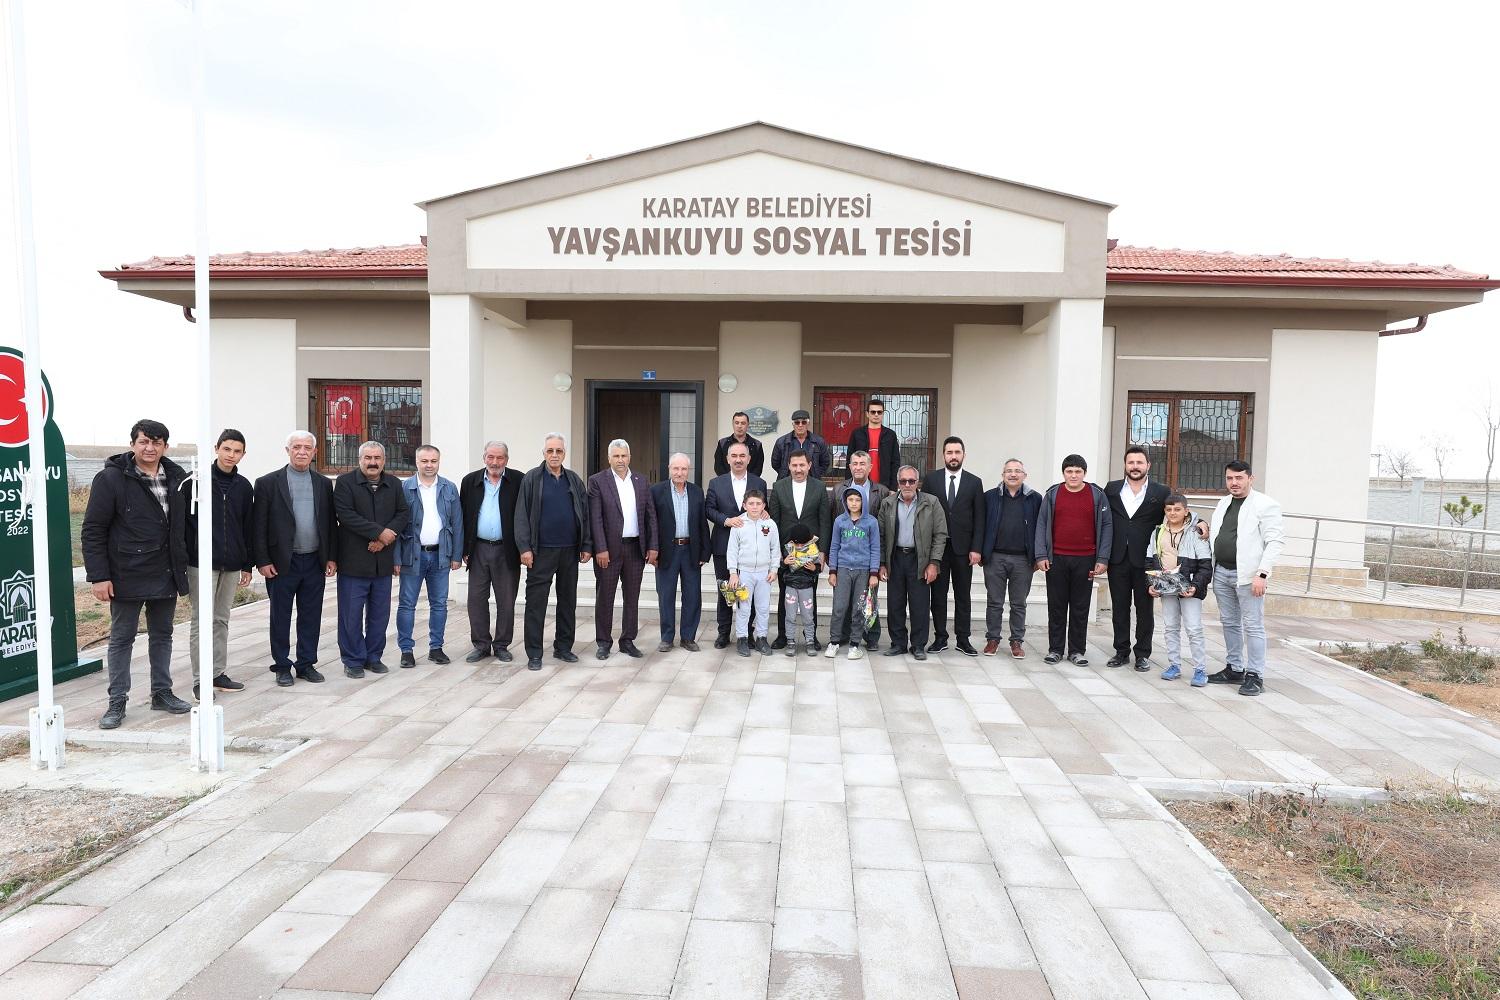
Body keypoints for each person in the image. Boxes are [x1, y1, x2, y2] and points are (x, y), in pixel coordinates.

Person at [82, 419, 192, 729]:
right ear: (132, 444)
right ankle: (117, 701)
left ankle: (162, 692)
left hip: (166, 570)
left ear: (165, 446)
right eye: (144, 441)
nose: (150, 448)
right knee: (122, 639)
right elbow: (93, 530)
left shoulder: (177, 477)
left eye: (156, 442)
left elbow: (184, 526)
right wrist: (98, 576)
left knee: (163, 634)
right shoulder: (111, 479)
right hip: (125, 573)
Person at [253, 431, 338, 688]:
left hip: (314, 561)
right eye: (297, 447)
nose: (302, 452)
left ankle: (306, 664)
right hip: (281, 563)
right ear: (287, 450)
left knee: (311, 615)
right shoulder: (267, 483)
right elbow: (258, 525)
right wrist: (262, 560)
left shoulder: (323, 483)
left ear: (315, 452)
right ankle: (282, 665)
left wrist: (331, 557)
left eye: (307, 448)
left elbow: (329, 523)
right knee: (280, 616)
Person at [184, 428, 252, 700]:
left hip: (232, 563)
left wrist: (247, 564)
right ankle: (200, 679)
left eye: (237, 451)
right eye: (227, 449)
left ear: (243, 454)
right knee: (201, 620)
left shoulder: (244, 486)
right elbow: (185, 525)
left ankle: (217, 673)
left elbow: (247, 526)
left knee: (221, 619)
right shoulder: (196, 482)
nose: (231, 455)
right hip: (201, 563)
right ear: (216, 448)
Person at [515, 433, 593, 670]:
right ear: (544, 453)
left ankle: (563, 648)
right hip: (540, 552)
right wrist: (525, 548)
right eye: (550, 451)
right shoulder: (532, 478)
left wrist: (586, 544)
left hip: (569, 550)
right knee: (536, 604)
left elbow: (585, 514)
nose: (555, 455)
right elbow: (521, 515)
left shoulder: (573, 479)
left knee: (567, 601)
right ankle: (534, 653)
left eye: (559, 451)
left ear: (564, 453)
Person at [1207, 461, 1284, 696]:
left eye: (1239, 478)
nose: (1234, 483)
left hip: (1249, 577)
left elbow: (1275, 541)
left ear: (1251, 478)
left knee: (1253, 626)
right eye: (1230, 478)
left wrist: (1262, 573)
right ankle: (1234, 668)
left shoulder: (1265, 505)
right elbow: (1222, 533)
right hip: (1221, 572)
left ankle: (1255, 675)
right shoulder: (1223, 503)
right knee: (1229, 622)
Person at [333, 441, 410, 678]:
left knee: (379, 615)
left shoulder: (394, 483)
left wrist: (385, 539)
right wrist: (379, 532)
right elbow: (346, 515)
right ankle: (353, 660)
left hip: (382, 561)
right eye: (368, 458)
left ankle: (373, 657)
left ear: (384, 460)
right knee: (351, 615)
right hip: (353, 561)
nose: (373, 462)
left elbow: (403, 513)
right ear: (359, 460)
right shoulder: (345, 483)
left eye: (377, 458)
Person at [1034, 454, 1111, 667]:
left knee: (1080, 607)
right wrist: (1041, 555)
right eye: (1069, 471)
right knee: (1056, 607)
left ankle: (1077, 651)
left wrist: (1103, 557)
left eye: (1078, 471)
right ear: (1063, 473)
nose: (1074, 475)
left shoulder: (1097, 495)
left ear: (1084, 473)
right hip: (1056, 559)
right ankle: (1055, 650)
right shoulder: (1052, 494)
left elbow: (1106, 525)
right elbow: (1041, 524)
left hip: (1086, 560)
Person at [588, 438, 659, 660]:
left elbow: (650, 516)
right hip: (608, 551)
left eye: (624, 455)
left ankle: (627, 640)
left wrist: (653, 546)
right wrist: (600, 548)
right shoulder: (597, 481)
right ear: (609, 458)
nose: (620, 460)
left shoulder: (641, 481)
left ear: (630, 457)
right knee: (605, 597)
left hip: (635, 549)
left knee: (632, 597)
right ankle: (604, 642)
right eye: (616, 456)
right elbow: (595, 518)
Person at [395, 444, 463, 667]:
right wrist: (396, 558)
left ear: (439, 462)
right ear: (416, 462)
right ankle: (406, 650)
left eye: (433, 461)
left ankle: (436, 648)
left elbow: (457, 523)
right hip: (411, 555)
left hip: (440, 554)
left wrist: (456, 555)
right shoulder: (404, 488)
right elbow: (395, 526)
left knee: (439, 604)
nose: (429, 465)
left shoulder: (449, 488)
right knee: (407, 604)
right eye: (424, 461)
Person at [1105, 445, 1169, 671]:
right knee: (1119, 607)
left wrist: (1199, 522)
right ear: (1125, 465)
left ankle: (1142, 654)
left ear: (1148, 465)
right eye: (1131, 462)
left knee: (1144, 609)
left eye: (1139, 462)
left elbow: (1178, 512)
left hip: (1146, 561)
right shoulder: (1111, 489)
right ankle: (1121, 651)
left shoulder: (1161, 492)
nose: (1135, 466)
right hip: (1117, 559)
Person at [459, 440, 523, 663]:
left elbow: (526, 516)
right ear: (484, 457)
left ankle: (502, 645)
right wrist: (464, 548)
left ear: (507, 459)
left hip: (507, 550)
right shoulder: (470, 481)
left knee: (506, 600)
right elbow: (463, 516)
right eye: (491, 457)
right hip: (478, 549)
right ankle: (481, 645)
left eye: (500, 457)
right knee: (476, 599)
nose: (495, 462)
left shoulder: (519, 480)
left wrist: (524, 548)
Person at [922, 436, 985, 656]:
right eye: (949, 452)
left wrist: (976, 548)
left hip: (963, 549)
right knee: (938, 595)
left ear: (964, 455)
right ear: (943, 455)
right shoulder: (931, 480)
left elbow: (979, 518)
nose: (953, 456)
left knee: (963, 595)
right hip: (937, 550)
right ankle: (940, 637)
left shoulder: (974, 482)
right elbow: (925, 515)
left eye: (957, 452)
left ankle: (963, 639)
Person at [876, 465, 947, 660]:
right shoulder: (887, 503)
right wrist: (882, 563)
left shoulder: (931, 502)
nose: (907, 484)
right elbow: (880, 535)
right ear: (898, 483)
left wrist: (934, 562)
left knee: (920, 605)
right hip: (895, 558)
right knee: (895, 604)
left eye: (911, 481)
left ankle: (918, 645)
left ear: (917, 482)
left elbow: (940, 535)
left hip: (920, 559)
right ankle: (898, 643)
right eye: (903, 481)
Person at [1147, 494, 1213, 687]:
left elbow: (1206, 565)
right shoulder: (1157, 532)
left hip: (1188, 587)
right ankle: (1174, 665)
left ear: (1186, 511)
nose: (1173, 513)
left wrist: (1195, 586)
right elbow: (1149, 560)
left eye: (1177, 509)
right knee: (1170, 627)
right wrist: (1150, 584)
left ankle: (1200, 670)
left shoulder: (1197, 532)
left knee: (1193, 628)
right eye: (1169, 510)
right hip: (1166, 586)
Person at [706, 440, 768, 648]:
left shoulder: (759, 483)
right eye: (734, 456)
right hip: (723, 546)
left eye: (742, 456)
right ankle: (723, 633)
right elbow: (709, 509)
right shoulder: (716, 483)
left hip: (751, 550)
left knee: (749, 593)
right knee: (726, 590)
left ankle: (747, 634)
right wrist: (726, 520)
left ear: (749, 459)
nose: (738, 460)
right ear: (727, 459)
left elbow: (764, 510)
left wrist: (765, 513)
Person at [980, 458, 1042, 659]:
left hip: (1023, 560)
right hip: (995, 557)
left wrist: (1038, 556)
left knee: (1018, 603)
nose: (1013, 474)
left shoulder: (1035, 499)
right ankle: (993, 639)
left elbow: (1041, 529)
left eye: (1017, 471)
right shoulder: (990, 497)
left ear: (1024, 475)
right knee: (994, 602)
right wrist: (980, 551)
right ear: (1003, 475)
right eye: (1009, 471)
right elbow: (980, 525)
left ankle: (1016, 641)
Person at [768, 450, 831, 649]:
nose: (798, 469)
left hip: (810, 553)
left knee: (810, 596)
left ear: (809, 465)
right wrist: (776, 552)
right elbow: (774, 522)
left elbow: (824, 520)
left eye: (802, 465)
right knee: (784, 595)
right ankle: (782, 636)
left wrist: (822, 552)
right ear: (789, 466)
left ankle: (810, 636)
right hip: (786, 553)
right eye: (794, 465)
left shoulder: (819, 487)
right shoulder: (779, 487)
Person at [651, 453, 711, 652]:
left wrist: (705, 552)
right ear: (669, 469)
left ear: (688, 470)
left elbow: (702, 523)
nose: (679, 472)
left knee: (692, 596)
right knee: (666, 596)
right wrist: (652, 550)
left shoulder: (696, 492)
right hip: (666, 551)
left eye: (683, 469)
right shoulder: (656, 491)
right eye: (676, 468)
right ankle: (667, 637)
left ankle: (688, 637)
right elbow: (650, 523)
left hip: (691, 551)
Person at [839, 449, 891, 649]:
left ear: (870, 467)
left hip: (869, 557)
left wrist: (880, 562)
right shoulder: (839, 489)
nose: (858, 467)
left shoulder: (882, 491)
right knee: (845, 599)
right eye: (855, 463)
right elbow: (834, 521)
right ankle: (846, 634)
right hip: (846, 558)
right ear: (849, 466)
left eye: (863, 464)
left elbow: (884, 528)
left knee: (869, 598)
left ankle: (871, 636)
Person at [826, 486, 880, 661]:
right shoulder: (839, 521)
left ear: (863, 501)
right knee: (839, 607)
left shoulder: (871, 522)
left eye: (858, 500)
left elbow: (875, 548)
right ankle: (834, 642)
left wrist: (874, 573)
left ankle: (855, 644)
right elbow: (834, 546)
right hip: (843, 569)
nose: (854, 503)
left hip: (863, 571)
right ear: (845, 501)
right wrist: (832, 571)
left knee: (858, 608)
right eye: (850, 500)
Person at [726, 489, 779, 657]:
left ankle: (761, 638)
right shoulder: (738, 524)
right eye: (751, 504)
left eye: (758, 503)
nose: (755, 507)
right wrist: (733, 573)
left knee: (763, 608)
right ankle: (742, 638)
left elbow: (775, 548)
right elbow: (732, 550)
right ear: (744, 505)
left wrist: (774, 569)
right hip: (745, 573)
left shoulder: (770, 524)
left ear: (764, 505)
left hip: (764, 573)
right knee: (744, 608)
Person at [780, 525, 822, 657]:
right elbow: (780, 569)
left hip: (807, 587)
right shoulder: (788, 549)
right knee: (790, 616)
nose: (799, 546)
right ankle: (790, 641)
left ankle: (810, 641)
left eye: (803, 543)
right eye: (797, 543)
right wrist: (784, 562)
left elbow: (818, 568)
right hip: (791, 587)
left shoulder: (813, 549)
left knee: (808, 616)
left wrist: (813, 568)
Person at [846, 398, 900, 487]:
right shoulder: (857, 433)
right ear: (867, 414)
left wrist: (893, 487)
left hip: (884, 484)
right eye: (873, 412)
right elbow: (850, 460)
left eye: (879, 412)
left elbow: (895, 462)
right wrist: (849, 485)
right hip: (859, 484)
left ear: (883, 414)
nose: (876, 414)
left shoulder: (890, 435)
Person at [770, 409, 831, 480]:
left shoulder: (819, 441)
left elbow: (825, 463)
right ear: (793, 424)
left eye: (804, 422)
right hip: (787, 482)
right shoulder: (781, 442)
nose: (800, 425)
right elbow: (775, 464)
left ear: (808, 424)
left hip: (812, 482)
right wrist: (786, 474)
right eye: (797, 422)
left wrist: (815, 474)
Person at [712, 410, 765, 477]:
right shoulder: (722, 443)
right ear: (733, 424)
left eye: (743, 423)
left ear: (748, 425)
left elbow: (758, 468)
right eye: (737, 423)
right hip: (726, 482)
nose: (739, 426)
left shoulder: (757, 445)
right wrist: (728, 480)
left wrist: (748, 480)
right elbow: (718, 466)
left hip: (750, 482)